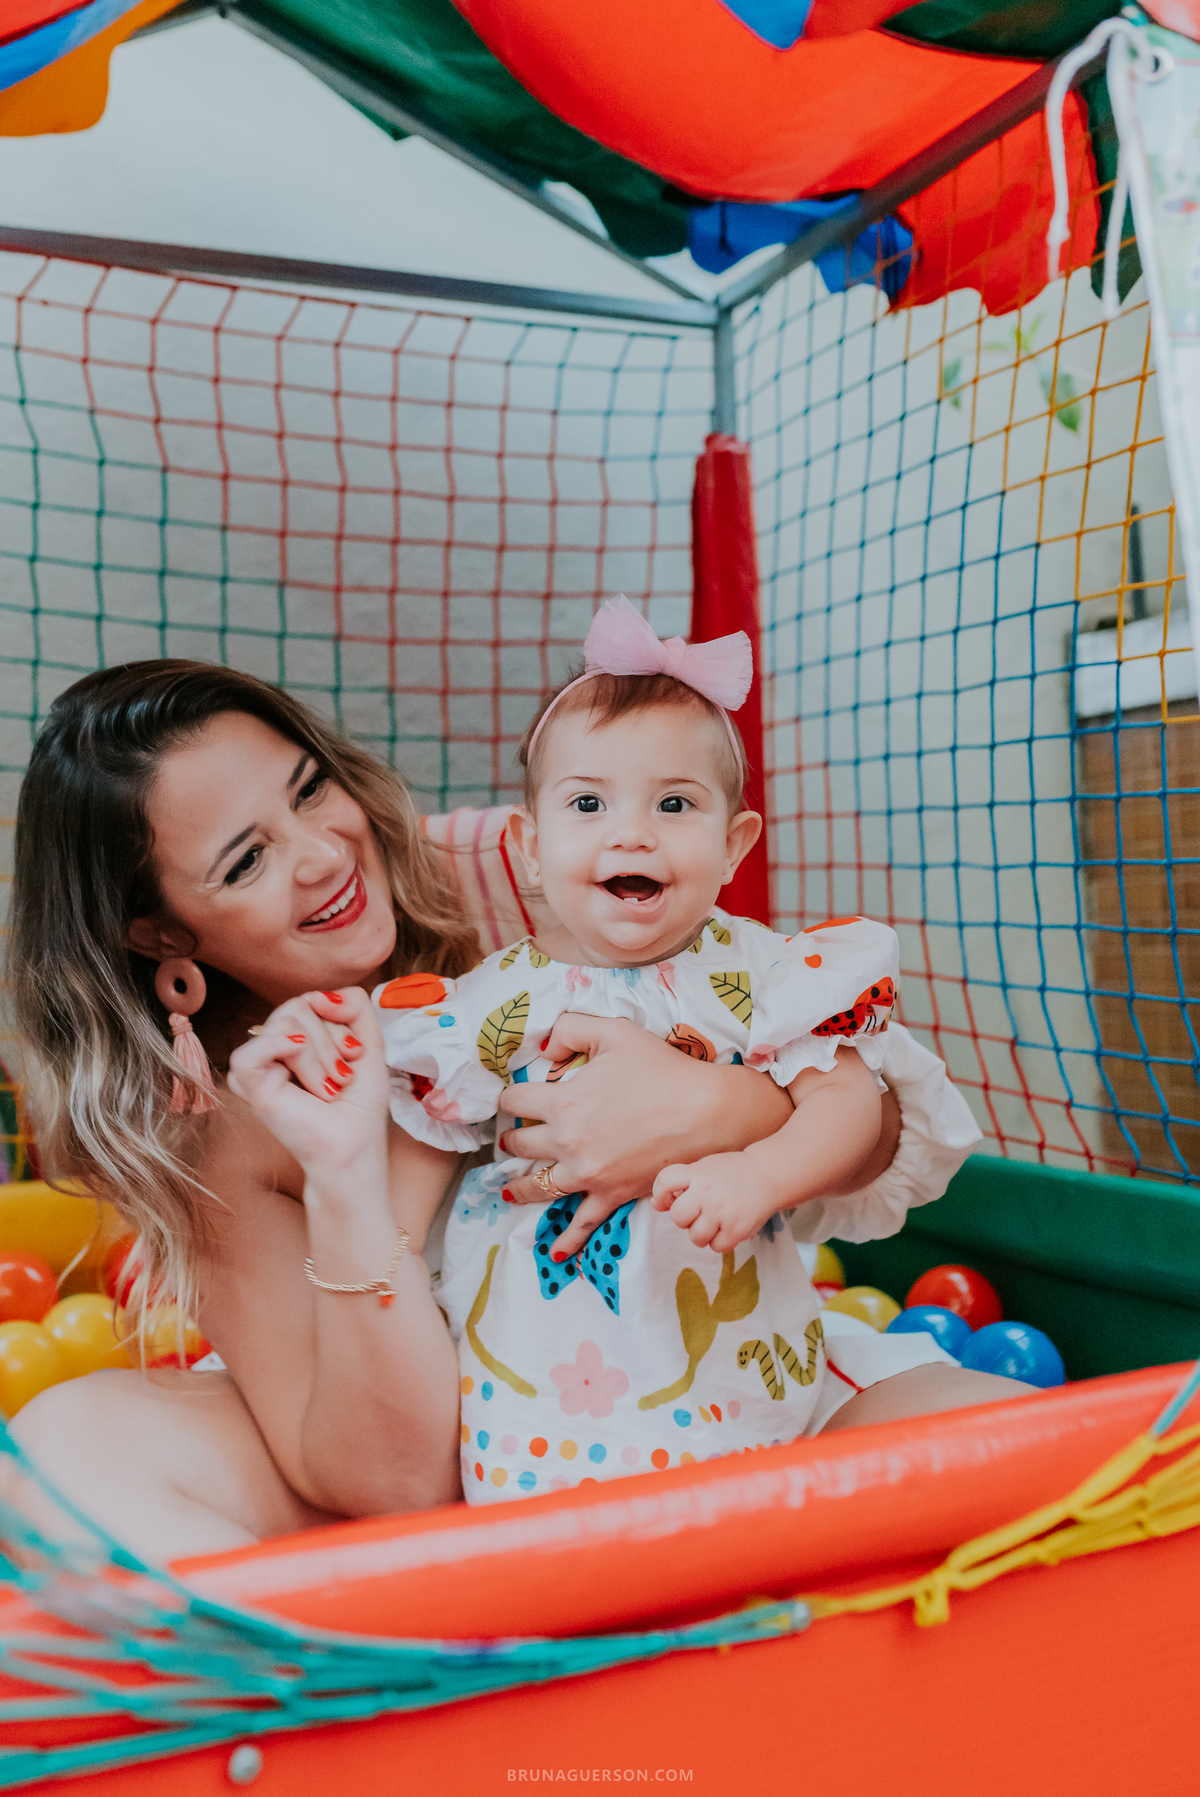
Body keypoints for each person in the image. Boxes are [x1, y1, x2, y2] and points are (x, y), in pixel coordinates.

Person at [4, 656, 988, 1563]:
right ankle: (430, 1685)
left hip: (711, 1370)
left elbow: (879, 1127)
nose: (321, 858)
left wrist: (723, 1106)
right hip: (477, 1443)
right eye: (245, 861)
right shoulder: (212, 1118)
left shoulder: (530, 858)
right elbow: (388, 1478)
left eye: (311, 791)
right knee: (59, 1450)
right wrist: (348, 1187)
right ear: (161, 927)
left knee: (1033, 1444)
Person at [377, 599, 1027, 1503]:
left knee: (783, 1506)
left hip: (741, 1364)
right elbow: (418, 1139)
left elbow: (844, 1103)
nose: (631, 832)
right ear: (530, 847)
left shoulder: (764, 974)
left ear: (733, 845)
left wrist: (764, 1176)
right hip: (547, 1395)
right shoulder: (491, 1004)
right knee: (583, 1552)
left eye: (674, 803)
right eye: (589, 803)